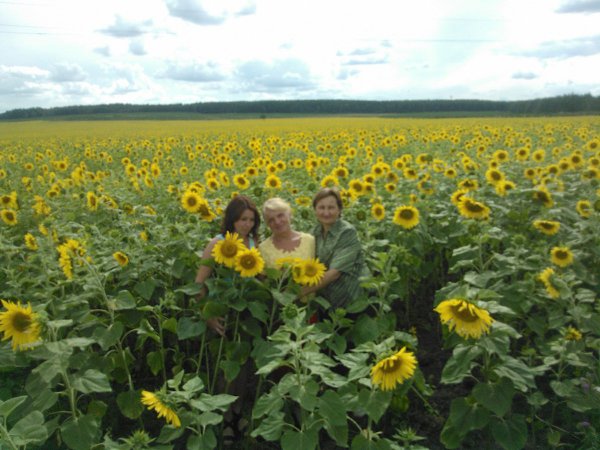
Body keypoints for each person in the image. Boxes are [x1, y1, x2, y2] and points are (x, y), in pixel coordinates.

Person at [195, 194, 261, 336]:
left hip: (243, 309)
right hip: (219, 308)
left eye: (251, 220)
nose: (248, 224)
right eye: (243, 219)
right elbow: (199, 282)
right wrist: (207, 315)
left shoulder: (253, 243)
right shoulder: (217, 243)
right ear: (233, 219)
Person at [300, 187, 365, 308]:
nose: (326, 213)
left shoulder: (347, 232)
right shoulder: (314, 232)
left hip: (350, 302)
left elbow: (334, 273)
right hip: (325, 301)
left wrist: (299, 293)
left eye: (331, 207)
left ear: (339, 209)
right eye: (321, 207)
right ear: (315, 210)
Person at [259, 197, 315, 269]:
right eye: (271, 220)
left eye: (280, 215)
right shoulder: (262, 249)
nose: (277, 222)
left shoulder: (309, 241)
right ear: (267, 224)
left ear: (289, 214)